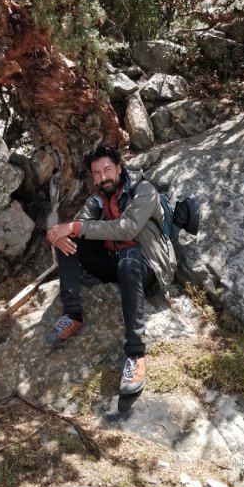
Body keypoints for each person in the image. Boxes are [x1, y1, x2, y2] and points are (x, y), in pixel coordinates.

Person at [45, 143, 176, 396]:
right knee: (69, 239)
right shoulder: (97, 199)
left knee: (126, 263)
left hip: (145, 265)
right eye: (96, 173)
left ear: (119, 168)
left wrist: (74, 228)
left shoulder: (144, 191)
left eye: (107, 170)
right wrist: (57, 236)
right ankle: (73, 315)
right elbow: (78, 226)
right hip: (113, 263)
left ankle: (135, 355)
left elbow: (127, 229)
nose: (103, 177)